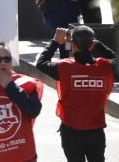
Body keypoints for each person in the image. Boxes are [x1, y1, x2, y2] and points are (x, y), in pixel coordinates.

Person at [36, 26, 118, 162]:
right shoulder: (106, 67)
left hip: (71, 130)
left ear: (72, 45)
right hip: (96, 131)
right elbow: (115, 58)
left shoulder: (63, 67)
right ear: (92, 44)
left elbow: (41, 63)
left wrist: (56, 41)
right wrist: (95, 43)